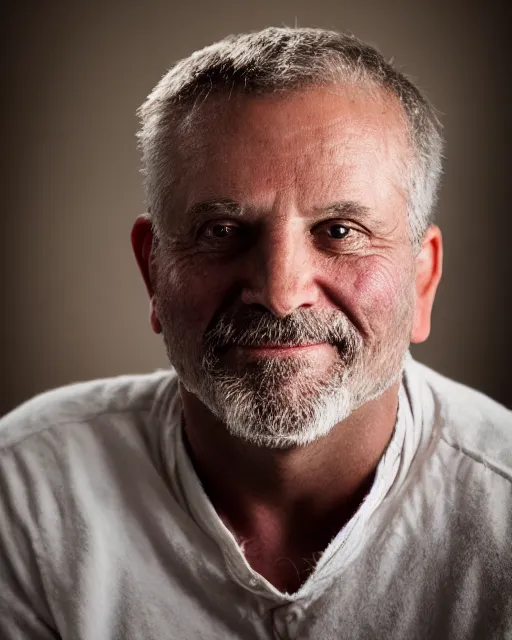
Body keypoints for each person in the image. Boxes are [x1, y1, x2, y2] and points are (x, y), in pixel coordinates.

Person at [1, 26, 510, 640]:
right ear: (152, 270)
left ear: (422, 280)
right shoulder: (24, 492)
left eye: (340, 230)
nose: (278, 290)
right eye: (221, 230)